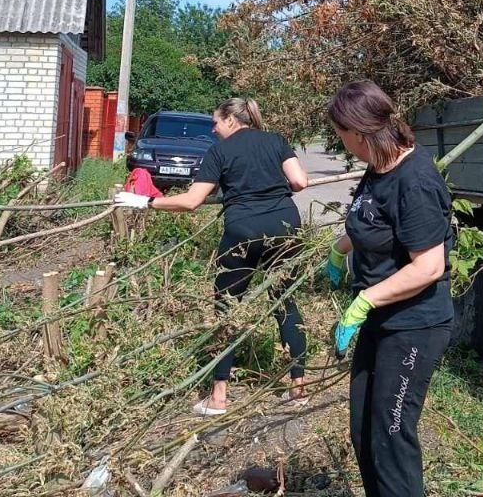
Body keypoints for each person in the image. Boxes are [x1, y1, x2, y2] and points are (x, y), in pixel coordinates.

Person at [114, 97, 309, 415]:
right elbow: (300, 181)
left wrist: (145, 202)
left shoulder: (219, 151)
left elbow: (192, 201)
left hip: (243, 232)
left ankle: (219, 398)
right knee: (284, 302)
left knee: (227, 307)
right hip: (285, 227)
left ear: (231, 119)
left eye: (216, 122)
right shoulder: (276, 140)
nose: (214, 129)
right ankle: (299, 390)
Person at [323, 80, 454, 497]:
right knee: (364, 429)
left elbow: (429, 266)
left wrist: (364, 300)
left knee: (392, 436)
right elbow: (374, 223)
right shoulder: (379, 167)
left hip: (414, 325)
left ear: (359, 133)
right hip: (381, 320)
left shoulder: (414, 181)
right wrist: (339, 249)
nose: (340, 143)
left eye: (341, 135)